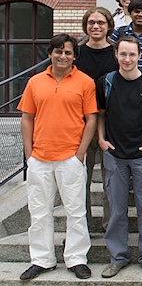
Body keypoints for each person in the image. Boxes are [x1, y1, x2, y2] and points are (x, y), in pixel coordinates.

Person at [18, 34, 97, 281]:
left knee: (76, 212)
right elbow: (27, 118)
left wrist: (80, 153)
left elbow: (91, 119)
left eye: (68, 52)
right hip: (40, 158)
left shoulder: (85, 82)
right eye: (58, 51)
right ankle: (42, 259)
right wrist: (29, 155)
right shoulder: (35, 82)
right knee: (39, 212)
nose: (63, 56)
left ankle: (76, 259)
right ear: (50, 54)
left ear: (74, 57)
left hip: (70, 157)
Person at [96, 36, 142, 278]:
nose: (127, 59)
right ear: (116, 54)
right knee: (116, 210)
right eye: (123, 54)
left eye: (132, 54)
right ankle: (118, 257)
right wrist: (101, 140)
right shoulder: (106, 82)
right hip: (115, 155)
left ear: (139, 56)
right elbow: (101, 114)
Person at [75, 7, 118, 232]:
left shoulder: (117, 53)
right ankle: (83, 227)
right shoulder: (77, 54)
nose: (96, 26)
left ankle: (109, 227)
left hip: (110, 124)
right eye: (91, 22)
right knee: (81, 178)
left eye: (101, 22)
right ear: (86, 26)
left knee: (111, 180)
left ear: (109, 26)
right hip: (79, 123)